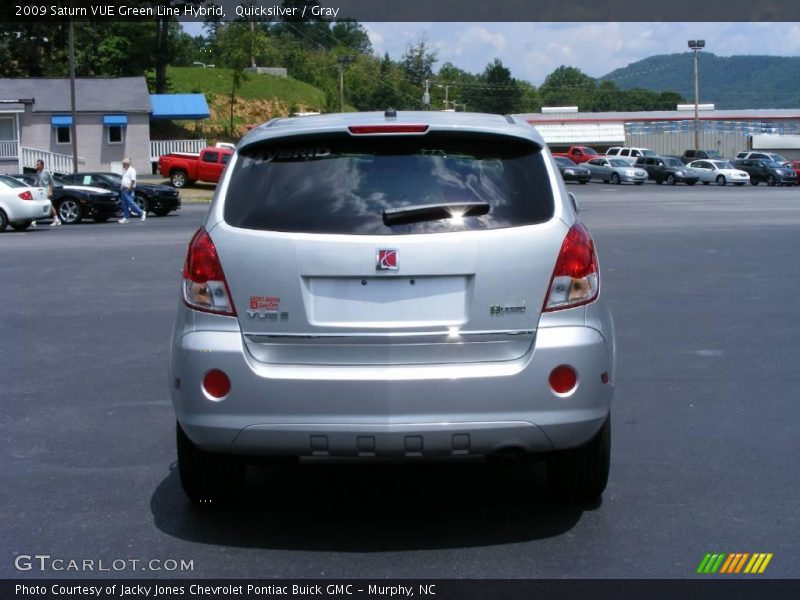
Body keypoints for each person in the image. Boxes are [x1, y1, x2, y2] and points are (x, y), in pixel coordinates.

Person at [33, 159, 61, 226]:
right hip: (40, 191)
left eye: (38, 164)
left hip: (46, 190)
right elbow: (36, 183)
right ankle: (34, 220)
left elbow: (51, 182)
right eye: (37, 164)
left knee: (49, 204)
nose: (37, 166)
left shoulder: (46, 172)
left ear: (42, 165)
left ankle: (56, 219)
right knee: (38, 205)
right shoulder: (38, 172)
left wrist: (50, 191)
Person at [119, 157, 145, 223]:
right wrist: (122, 186)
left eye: (123, 164)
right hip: (124, 189)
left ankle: (141, 212)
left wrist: (129, 188)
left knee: (130, 203)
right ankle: (126, 218)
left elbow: (133, 180)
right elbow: (124, 180)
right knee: (125, 204)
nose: (122, 165)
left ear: (127, 164)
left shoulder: (132, 170)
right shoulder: (125, 170)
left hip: (128, 189)